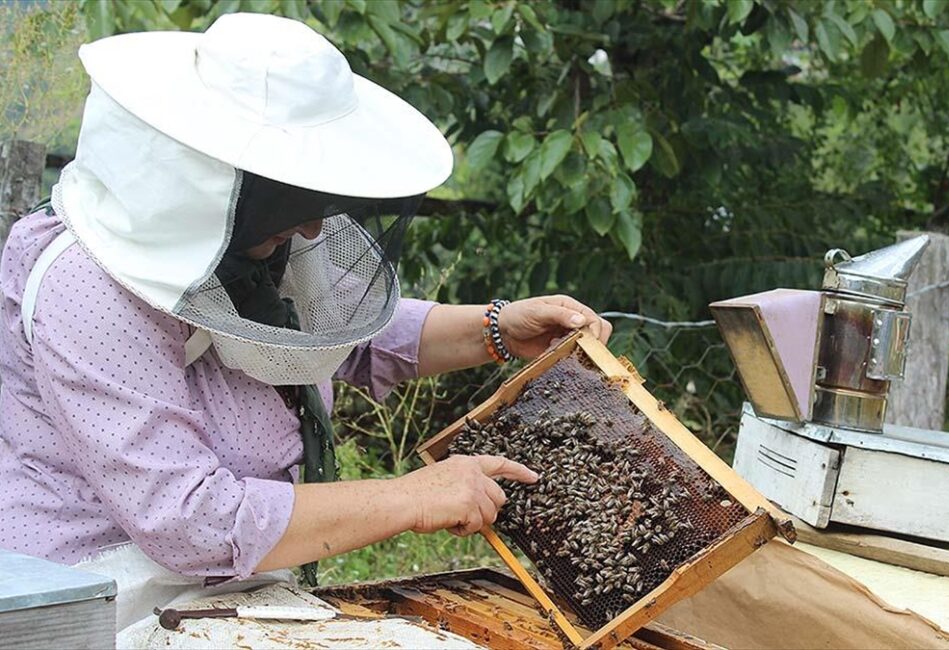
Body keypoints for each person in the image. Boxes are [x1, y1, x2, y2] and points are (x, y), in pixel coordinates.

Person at [0, 12, 611, 633]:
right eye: (292, 201)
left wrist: (500, 329)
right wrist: (412, 496)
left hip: (232, 589)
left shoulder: (247, 243)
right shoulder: (86, 283)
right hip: (100, 600)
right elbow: (189, 522)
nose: (315, 226)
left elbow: (335, 338)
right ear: (212, 178)